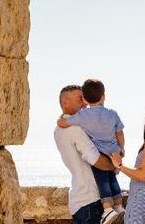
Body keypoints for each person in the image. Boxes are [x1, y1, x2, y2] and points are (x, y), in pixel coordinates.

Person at [57, 79, 126, 223]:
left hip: (82, 200)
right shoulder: (76, 128)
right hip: (91, 202)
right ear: (66, 102)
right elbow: (97, 161)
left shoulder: (59, 129)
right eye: (80, 99)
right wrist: (116, 164)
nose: (84, 103)